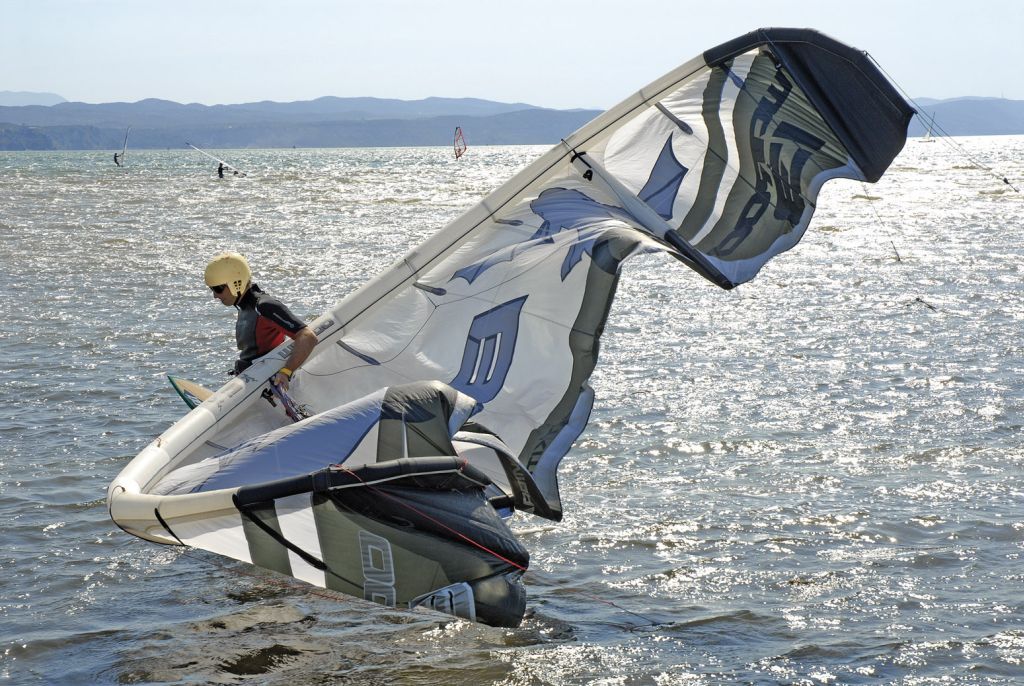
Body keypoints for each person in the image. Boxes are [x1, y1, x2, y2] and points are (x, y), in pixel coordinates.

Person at [203, 251, 317, 390]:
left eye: (217, 289)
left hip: (267, 384)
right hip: (250, 378)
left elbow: (307, 336)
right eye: (212, 289)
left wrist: (286, 372)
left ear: (236, 283)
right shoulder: (244, 306)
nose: (215, 296)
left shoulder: (264, 305)